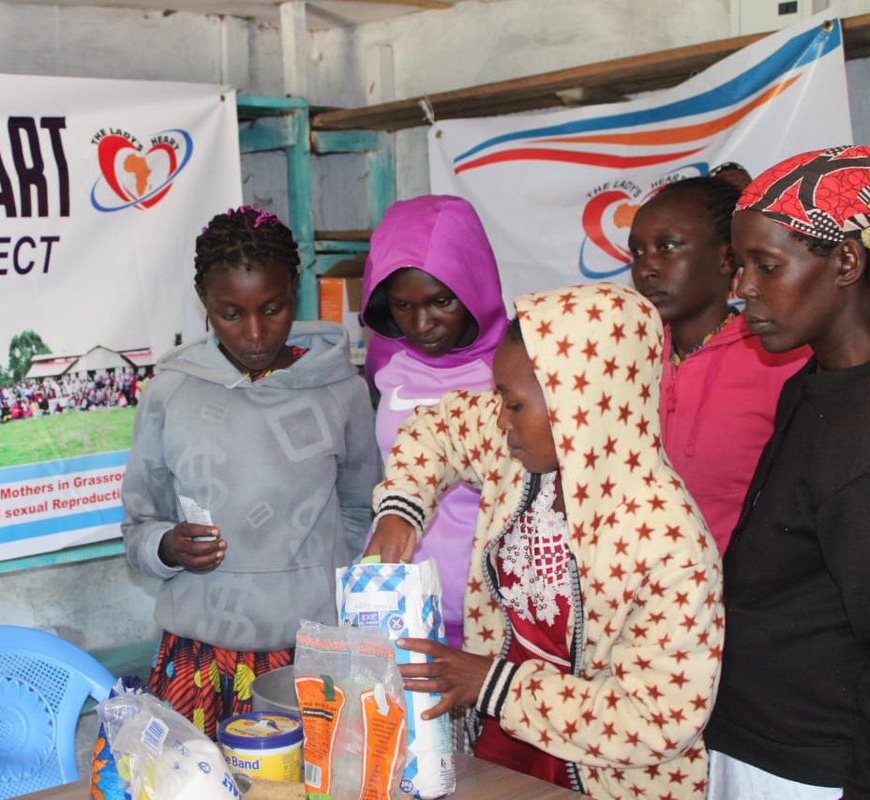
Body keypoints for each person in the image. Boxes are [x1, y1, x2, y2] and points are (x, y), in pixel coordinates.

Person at [366, 282, 723, 797]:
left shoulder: (670, 545)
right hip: (504, 740)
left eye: (512, 405)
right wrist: (401, 508)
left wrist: (494, 685)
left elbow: (657, 719)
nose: (500, 421)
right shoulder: (520, 456)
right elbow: (436, 427)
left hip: (612, 775)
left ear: (580, 405)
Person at [122, 205, 380, 738]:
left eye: (274, 308)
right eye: (231, 314)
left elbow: (361, 508)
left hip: (310, 655)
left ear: (296, 293)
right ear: (205, 307)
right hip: (197, 655)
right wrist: (168, 547)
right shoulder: (170, 391)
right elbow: (138, 524)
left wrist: (313, 578)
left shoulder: (340, 390)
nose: (256, 332)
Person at [705, 145, 870, 799]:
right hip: (758, 740)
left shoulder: (861, 440)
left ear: (846, 263)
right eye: (739, 266)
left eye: (766, 267)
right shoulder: (813, 382)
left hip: (814, 766)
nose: (740, 291)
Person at [629, 176, 808, 552]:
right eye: (638, 252)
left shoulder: (779, 357)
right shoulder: (627, 358)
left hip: (750, 596)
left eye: (668, 247)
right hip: (649, 597)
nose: (647, 268)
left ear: (727, 258)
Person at [360, 194, 507, 651]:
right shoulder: (388, 357)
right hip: (400, 602)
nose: (422, 324)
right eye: (402, 306)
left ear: (475, 282)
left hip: (492, 610)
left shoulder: (517, 364)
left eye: (441, 301)